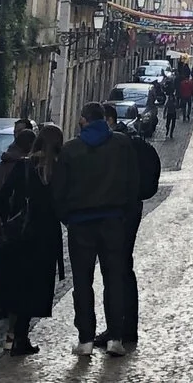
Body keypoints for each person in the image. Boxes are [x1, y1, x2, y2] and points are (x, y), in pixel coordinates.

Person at [53, 103, 147, 355]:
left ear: (83, 120)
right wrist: (124, 214)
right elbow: (132, 182)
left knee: (82, 282)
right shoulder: (121, 145)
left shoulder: (70, 150)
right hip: (113, 221)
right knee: (114, 279)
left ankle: (85, 339)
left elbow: (58, 192)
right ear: (104, 121)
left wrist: (69, 218)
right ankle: (115, 337)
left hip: (80, 224)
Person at [0, 122, 60, 358]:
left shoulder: (25, 167)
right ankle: (16, 337)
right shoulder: (56, 170)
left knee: (5, 285)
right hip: (42, 239)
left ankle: (8, 337)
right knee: (28, 288)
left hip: (18, 238)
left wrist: (8, 222)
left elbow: (2, 197)